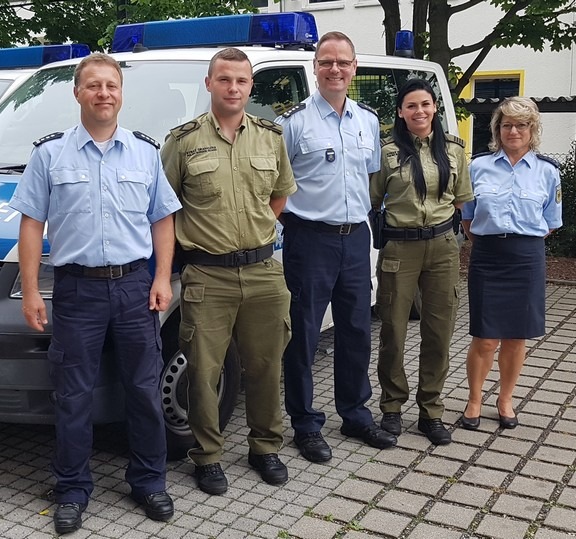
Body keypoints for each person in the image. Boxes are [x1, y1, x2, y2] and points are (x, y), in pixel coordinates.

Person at [9, 53, 182, 534]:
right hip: (76, 291)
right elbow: (31, 224)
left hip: (133, 288)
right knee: (72, 395)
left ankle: (149, 481)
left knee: (144, 391)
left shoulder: (145, 153)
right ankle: (71, 489)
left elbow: (163, 219)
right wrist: (30, 292)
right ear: (77, 93)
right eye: (94, 86)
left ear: (121, 93)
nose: (104, 93)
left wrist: (162, 277)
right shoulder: (50, 155)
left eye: (112, 85)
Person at [160, 47, 296, 495]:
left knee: (265, 365)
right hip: (207, 275)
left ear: (250, 86)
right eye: (224, 79)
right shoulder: (182, 141)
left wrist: (255, 230)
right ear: (209, 84)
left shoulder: (270, 137)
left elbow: (279, 197)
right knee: (203, 372)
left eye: (240, 80)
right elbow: (164, 208)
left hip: (262, 271)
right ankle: (208, 456)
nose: (232, 88)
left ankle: (264, 448)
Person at [276, 31, 397, 463]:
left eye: (342, 62)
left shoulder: (366, 120)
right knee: (304, 334)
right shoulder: (294, 123)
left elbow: (369, 175)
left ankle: (354, 412)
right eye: (326, 62)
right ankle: (305, 424)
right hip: (310, 240)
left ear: (354, 68)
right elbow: (277, 185)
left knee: (356, 330)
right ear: (315, 67)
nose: (334, 69)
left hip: (355, 238)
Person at [369, 78, 473, 445]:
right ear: (400, 111)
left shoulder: (454, 150)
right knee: (393, 331)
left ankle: (431, 411)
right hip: (400, 248)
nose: (420, 111)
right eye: (411, 105)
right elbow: (373, 196)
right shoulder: (386, 152)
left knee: (439, 331)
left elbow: (462, 200)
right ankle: (392, 407)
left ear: (434, 108)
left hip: (443, 247)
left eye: (426, 104)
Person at [460, 97, 562, 431]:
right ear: (497, 130)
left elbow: (549, 223)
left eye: (521, 125)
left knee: (517, 338)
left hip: (526, 259)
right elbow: (468, 219)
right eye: (507, 125)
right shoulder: (478, 167)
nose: (513, 131)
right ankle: (474, 400)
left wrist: (518, 242)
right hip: (488, 257)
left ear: (532, 130)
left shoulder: (547, 172)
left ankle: (505, 399)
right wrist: (492, 242)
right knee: (485, 338)